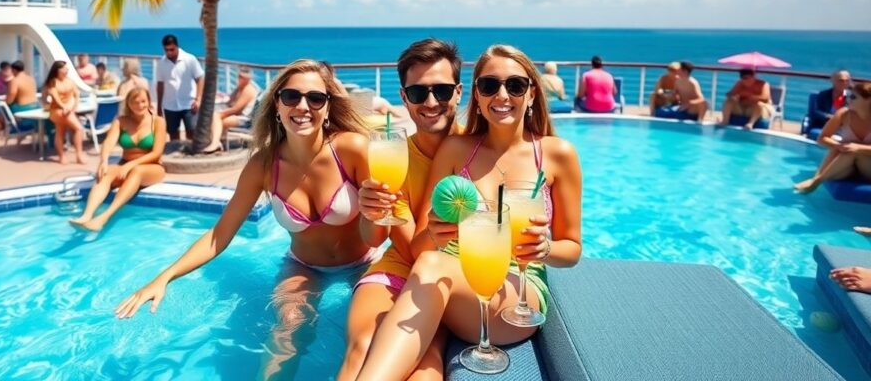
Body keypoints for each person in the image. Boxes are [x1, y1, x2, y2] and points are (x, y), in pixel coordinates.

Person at [115, 60, 371, 379]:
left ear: (328, 107)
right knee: (289, 325)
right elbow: (218, 235)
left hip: (364, 261)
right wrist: (164, 277)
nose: (303, 106)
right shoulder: (263, 166)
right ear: (276, 104)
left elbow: (387, 215)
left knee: (364, 334)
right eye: (291, 96)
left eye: (315, 98)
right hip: (304, 266)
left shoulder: (352, 149)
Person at [356, 45, 583, 380]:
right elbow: (421, 249)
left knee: (432, 267)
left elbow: (573, 248)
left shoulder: (557, 155)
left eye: (515, 85)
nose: (502, 95)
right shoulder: (456, 150)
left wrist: (546, 249)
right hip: (449, 283)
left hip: (515, 293)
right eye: (490, 85)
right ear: (476, 95)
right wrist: (433, 233)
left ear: (532, 93)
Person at [338, 39, 464, 381]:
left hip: (451, 282)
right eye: (418, 92)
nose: (431, 102)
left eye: (441, 90)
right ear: (404, 97)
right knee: (362, 346)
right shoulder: (392, 157)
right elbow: (380, 239)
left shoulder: (479, 152)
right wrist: (370, 212)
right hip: (398, 268)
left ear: (458, 92)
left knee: (426, 369)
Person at [70, 87, 165, 231]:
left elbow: (156, 153)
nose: (140, 105)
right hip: (125, 165)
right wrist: (103, 161)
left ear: (149, 102)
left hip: (152, 167)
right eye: (135, 102)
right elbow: (108, 142)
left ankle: (104, 217)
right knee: (105, 174)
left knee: (137, 171)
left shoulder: (158, 122)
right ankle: (87, 215)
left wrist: (130, 165)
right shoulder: (121, 121)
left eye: (143, 101)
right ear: (128, 104)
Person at [794, 82, 871, 193]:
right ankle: (817, 178)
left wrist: (858, 148)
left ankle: (816, 181)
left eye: (853, 97)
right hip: (849, 165)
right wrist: (839, 145)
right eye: (848, 95)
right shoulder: (844, 114)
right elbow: (822, 139)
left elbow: (855, 149)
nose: (848, 99)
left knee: (852, 150)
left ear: (868, 100)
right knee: (839, 148)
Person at [202, 66, 261, 153]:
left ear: (248, 78)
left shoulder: (248, 90)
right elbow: (229, 102)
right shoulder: (239, 88)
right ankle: (219, 143)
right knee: (217, 119)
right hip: (238, 116)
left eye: (243, 77)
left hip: (245, 119)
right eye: (239, 76)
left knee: (217, 118)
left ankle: (215, 143)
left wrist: (221, 114)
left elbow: (236, 109)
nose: (240, 79)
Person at [156, 35, 204, 143]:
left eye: (172, 49)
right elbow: (160, 85)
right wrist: (159, 107)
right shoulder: (161, 63)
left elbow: (200, 78)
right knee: (172, 133)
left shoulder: (190, 59)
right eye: (166, 50)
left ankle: (191, 154)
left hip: (189, 103)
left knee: (192, 132)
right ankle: (175, 153)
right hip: (170, 105)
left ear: (177, 46)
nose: (169, 52)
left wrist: (198, 99)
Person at [43, 60, 86, 165]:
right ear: (57, 70)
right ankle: (78, 155)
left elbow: (76, 94)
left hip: (68, 110)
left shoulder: (69, 81)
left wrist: (74, 107)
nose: (66, 70)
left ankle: (62, 157)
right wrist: (64, 107)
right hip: (57, 110)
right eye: (64, 68)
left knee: (60, 131)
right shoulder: (53, 82)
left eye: (67, 69)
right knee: (78, 128)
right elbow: (55, 97)